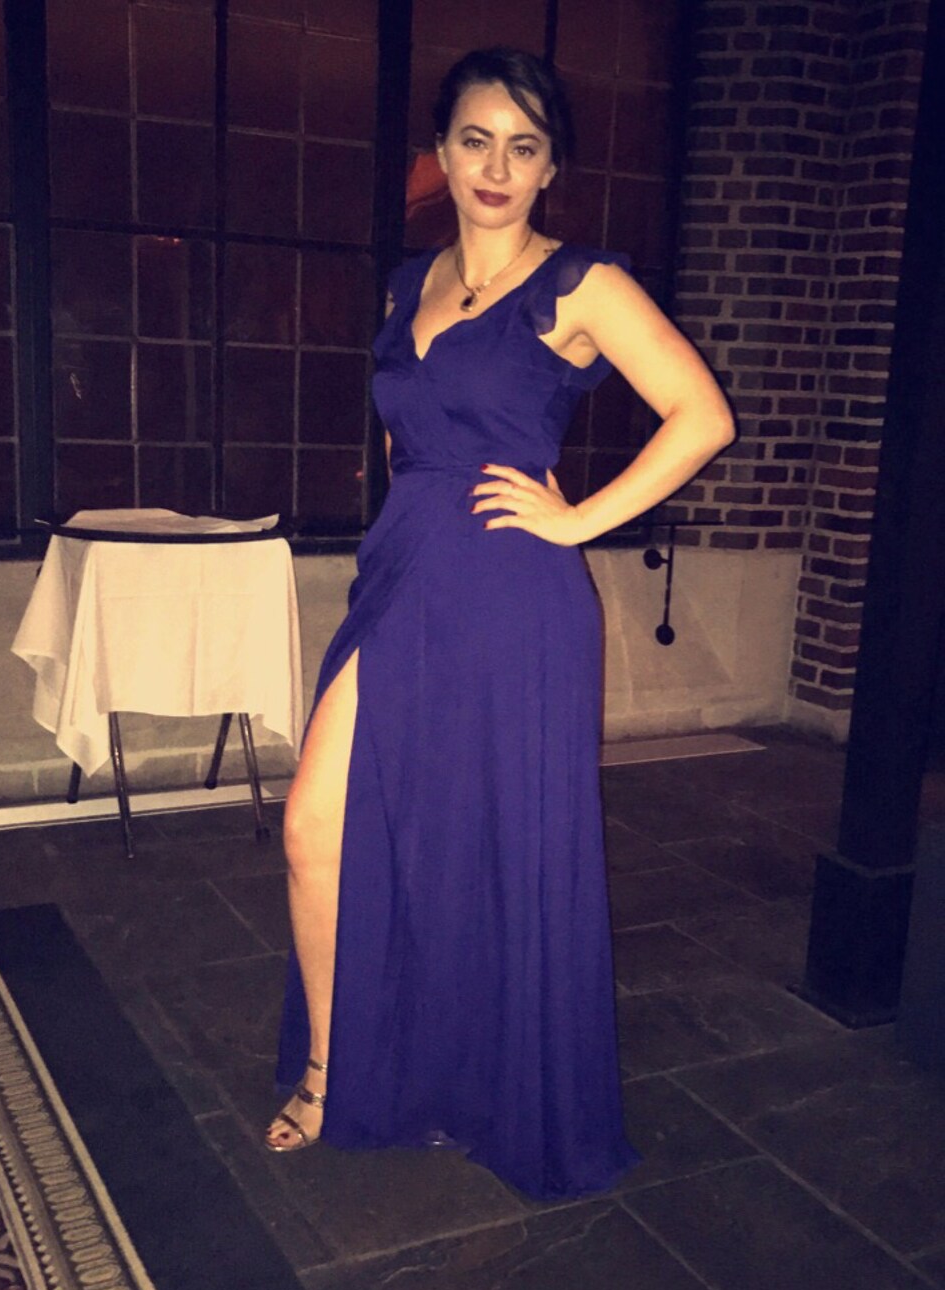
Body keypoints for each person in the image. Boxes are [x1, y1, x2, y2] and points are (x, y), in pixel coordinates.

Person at [266, 47, 734, 1200]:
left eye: (524, 146)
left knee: (491, 849)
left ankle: (488, 1086)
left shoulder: (580, 285)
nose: (496, 166)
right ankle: (331, 1068)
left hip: (513, 595)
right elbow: (403, 436)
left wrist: (577, 519)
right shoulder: (405, 283)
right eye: (475, 140)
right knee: (317, 824)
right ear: (441, 151)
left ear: (549, 166)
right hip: (404, 575)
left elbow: (700, 414)